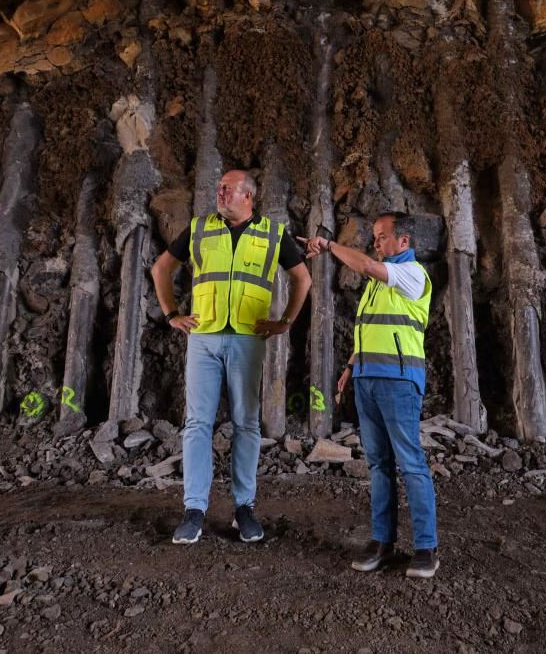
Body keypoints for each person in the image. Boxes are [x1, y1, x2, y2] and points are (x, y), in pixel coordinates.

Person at [152, 169, 311, 545]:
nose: (219, 193)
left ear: (248, 197)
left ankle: (244, 509)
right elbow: (161, 268)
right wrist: (172, 314)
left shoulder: (273, 234)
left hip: (246, 340)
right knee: (197, 425)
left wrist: (285, 321)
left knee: (246, 424)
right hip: (203, 337)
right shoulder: (199, 228)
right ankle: (194, 511)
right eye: (219, 188)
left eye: (227, 189)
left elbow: (302, 278)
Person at [302, 212, 439, 579]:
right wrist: (351, 366)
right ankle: (382, 541)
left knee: (410, 463)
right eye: (375, 238)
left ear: (404, 242)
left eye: (381, 237)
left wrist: (329, 246)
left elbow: (363, 265)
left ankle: (426, 547)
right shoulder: (380, 285)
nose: (376, 244)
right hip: (368, 379)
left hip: (398, 381)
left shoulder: (412, 276)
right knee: (378, 464)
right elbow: (371, 330)